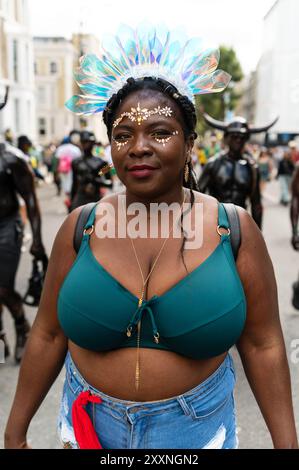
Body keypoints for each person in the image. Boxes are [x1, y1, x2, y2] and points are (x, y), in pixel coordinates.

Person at [5, 24, 297, 450]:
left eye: (160, 132)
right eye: (123, 136)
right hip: (88, 432)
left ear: (190, 142)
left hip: (196, 436)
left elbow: (264, 343)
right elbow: (48, 334)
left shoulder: (233, 230)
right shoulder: (79, 226)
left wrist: (286, 443)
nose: (138, 147)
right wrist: (14, 433)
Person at [0, 91, 46, 363]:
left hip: (7, 227)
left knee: (3, 288)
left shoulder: (12, 159)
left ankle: (21, 325)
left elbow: (31, 200)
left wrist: (37, 242)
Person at [197, 115, 278, 229]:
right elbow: (197, 198)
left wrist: (258, 234)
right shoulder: (213, 164)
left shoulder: (252, 168)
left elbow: (256, 204)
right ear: (226, 137)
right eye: (234, 136)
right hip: (214, 223)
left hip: (240, 224)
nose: (238, 140)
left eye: (242, 136)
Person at [70, 131, 113, 211]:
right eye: (83, 142)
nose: (85, 145)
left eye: (87, 142)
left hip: (95, 198)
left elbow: (110, 183)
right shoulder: (76, 162)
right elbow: (74, 183)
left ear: (93, 143)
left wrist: (96, 181)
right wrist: (72, 201)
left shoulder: (102, 163)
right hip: (80, 198)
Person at [55, 131, 82, 210]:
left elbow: (57, 160)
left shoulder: (60, 148)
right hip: (73, 169)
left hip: (63, 169)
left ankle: (68, 199)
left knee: (65, 185)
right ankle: (72, 200)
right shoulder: (75, 148)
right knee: (72, 184)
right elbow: (79, 158)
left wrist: (56, 172)